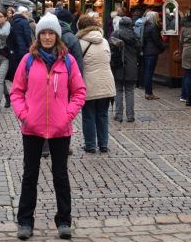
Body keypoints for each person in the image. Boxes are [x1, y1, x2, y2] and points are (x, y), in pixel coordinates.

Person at [10, 13, 86, 241]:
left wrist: (67, 115)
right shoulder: (28, 60)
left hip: (60, 128)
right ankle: (25, 221)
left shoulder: (68, 61)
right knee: (30, 175)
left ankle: (64, 221)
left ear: (57, 36)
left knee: (60, 176)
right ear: (38, 35)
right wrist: (25, 115)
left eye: (51, 33)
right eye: (43, 33)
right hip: (32, 127)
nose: (47, 37)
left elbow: (80, 92)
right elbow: (16, 91)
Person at [77, 15, 116, 153]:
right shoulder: (104, 40)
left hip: (89, 83)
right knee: (103, 114)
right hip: (106, 82)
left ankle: (90, 145)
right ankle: (104, 144)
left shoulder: (79, 42)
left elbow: (78, 65)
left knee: (88, 115)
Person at [110, 16, 139, 123]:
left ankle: (118, 115)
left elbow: (111, 50)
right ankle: (130, 116)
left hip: (118, 66)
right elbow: (139, 49)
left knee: (118, 90)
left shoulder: (115, 34)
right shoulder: (134, 35)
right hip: (131, 65)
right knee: (130, 91)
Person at [142, 11, 165, 100]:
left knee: (147, 72)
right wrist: (162, 47)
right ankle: (149, 93)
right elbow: (157, 41)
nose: (158, 18)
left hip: (146, 51)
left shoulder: (145, 26)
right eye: (157, 17)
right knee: (149, 73)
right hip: (152, 52)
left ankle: (147, 92)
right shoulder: (153, 27)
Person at [55, 8, 84, 73]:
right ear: (70, 22)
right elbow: (78, 63)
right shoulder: (72, 38)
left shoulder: (48, 35)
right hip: (68, 74)